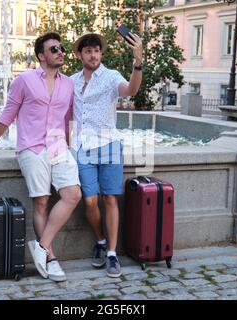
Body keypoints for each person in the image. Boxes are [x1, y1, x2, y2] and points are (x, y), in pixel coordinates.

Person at [0, 32, 82, 282]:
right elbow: (8, 114)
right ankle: (51, 258)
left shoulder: (68, 84)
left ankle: (40, 247)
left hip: (57, 146)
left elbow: (67, 118)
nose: (60, 52)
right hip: (31, 147)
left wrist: (67, 143)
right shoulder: (24, 80)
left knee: (73, 194)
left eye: (61, 48)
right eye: (54, 49)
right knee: (42, 202)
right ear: (42, 55)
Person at [70, 32, 143, 278]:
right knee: (89, 200)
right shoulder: (71, 81)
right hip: (82, 147)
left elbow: (131, 90)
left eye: (97, 51)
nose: (93, 55)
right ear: (80, 54)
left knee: (110, 199)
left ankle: (111, 253)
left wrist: (138, 61)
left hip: (109, 144)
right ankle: (100, 241)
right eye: (88, 51)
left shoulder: (111, 77)